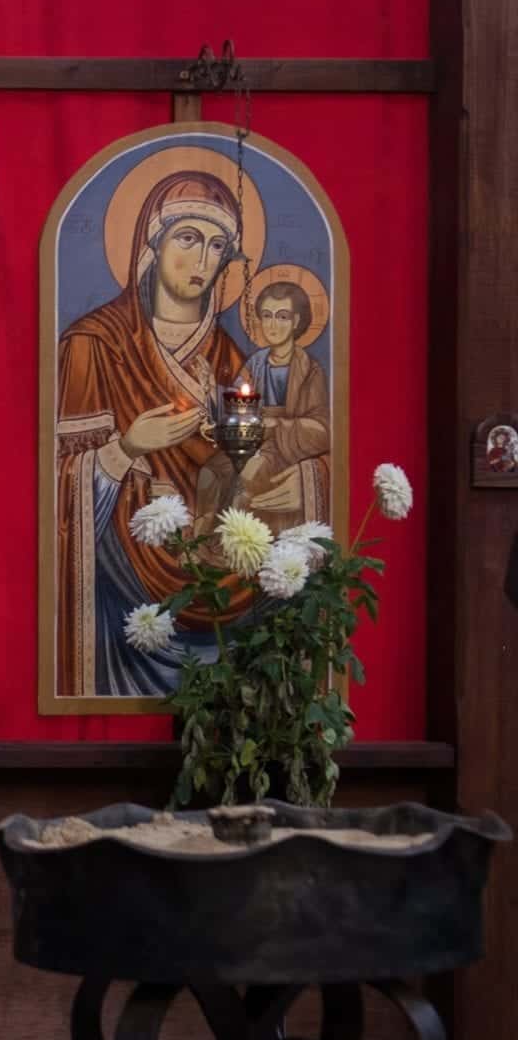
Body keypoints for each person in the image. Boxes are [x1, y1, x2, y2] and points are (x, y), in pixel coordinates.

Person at [55, 169, 299, 698]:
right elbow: (58, 499)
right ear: (151, 244)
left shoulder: (233, 360)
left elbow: (257, 470)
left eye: (218, 246)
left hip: (219, 573)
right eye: (187, 238)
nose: (204, 260)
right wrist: (125, 450)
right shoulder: (92, 346)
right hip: (127, 590)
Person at [234, 279, 331, 537]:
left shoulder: (310, 369)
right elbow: (237, 404)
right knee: (210, 475)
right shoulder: (254, 364)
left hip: (288, 448)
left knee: (251, 476)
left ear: (297, 321)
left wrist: (277, 426)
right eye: (266, 316)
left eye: (282, 316)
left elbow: (322, 430)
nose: (273, 325)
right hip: (255, 442)